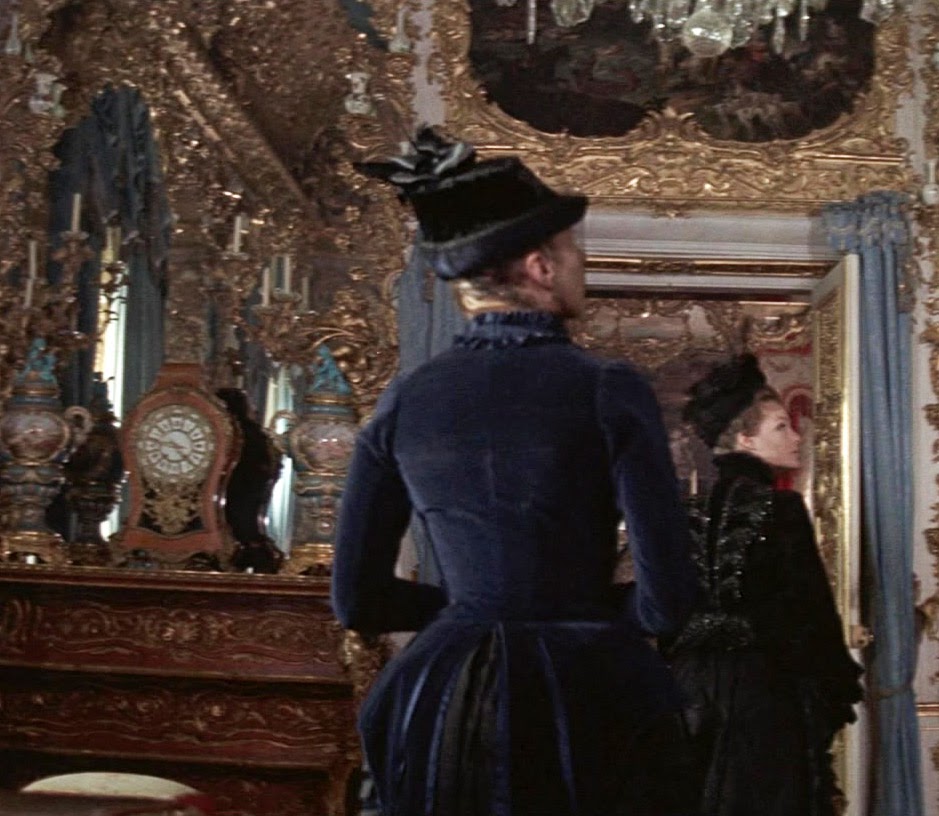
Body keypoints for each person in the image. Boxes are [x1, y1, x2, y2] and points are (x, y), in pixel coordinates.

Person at [331, 127, 701, 816]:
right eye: (574, 251)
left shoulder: (407, 398)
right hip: (586, 692)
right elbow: (666, 601)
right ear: (539, 266)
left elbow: (356, 601)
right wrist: (581, 612)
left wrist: (466, 610)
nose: (582, 265)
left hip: (441, 697)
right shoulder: (607, 386)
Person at [665, 353, 864, 816]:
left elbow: (657, 603)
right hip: (763, 691)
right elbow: (812, 613)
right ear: (744, 438)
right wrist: (835, 688)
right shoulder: (782, 508)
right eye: (781, 427)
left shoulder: (685, 511)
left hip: (688, 688)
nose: (796, 437)